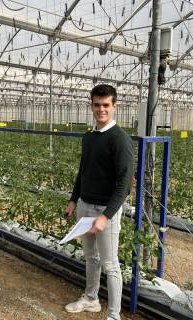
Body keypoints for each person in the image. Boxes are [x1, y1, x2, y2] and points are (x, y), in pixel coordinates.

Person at [64, 84, 133, 320]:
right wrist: (74, 199)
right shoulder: (89, 137)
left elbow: (124, 183)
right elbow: (83, 171)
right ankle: (91, 299)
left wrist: (106, 216)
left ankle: (114, 316)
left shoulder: (120, 140)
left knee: (111, 264)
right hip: (85, 205)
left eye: (106, 105)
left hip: (106, 210)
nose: (101, 109)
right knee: (91, 257)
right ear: (91, 106)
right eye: (97, 105)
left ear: (114, 106)